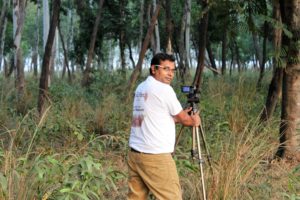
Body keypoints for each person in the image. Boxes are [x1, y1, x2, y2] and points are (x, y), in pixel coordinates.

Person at [127, 53, 201, 200]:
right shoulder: (164, 89)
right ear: (154, 69)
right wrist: (194, 120)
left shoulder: (141, 87)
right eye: (166, 69)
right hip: (155, 157)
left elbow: (148, 118)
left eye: (173, 70)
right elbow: (185, 120)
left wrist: (178, 118)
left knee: (136, 198)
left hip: (135, 153)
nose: (170, 74)